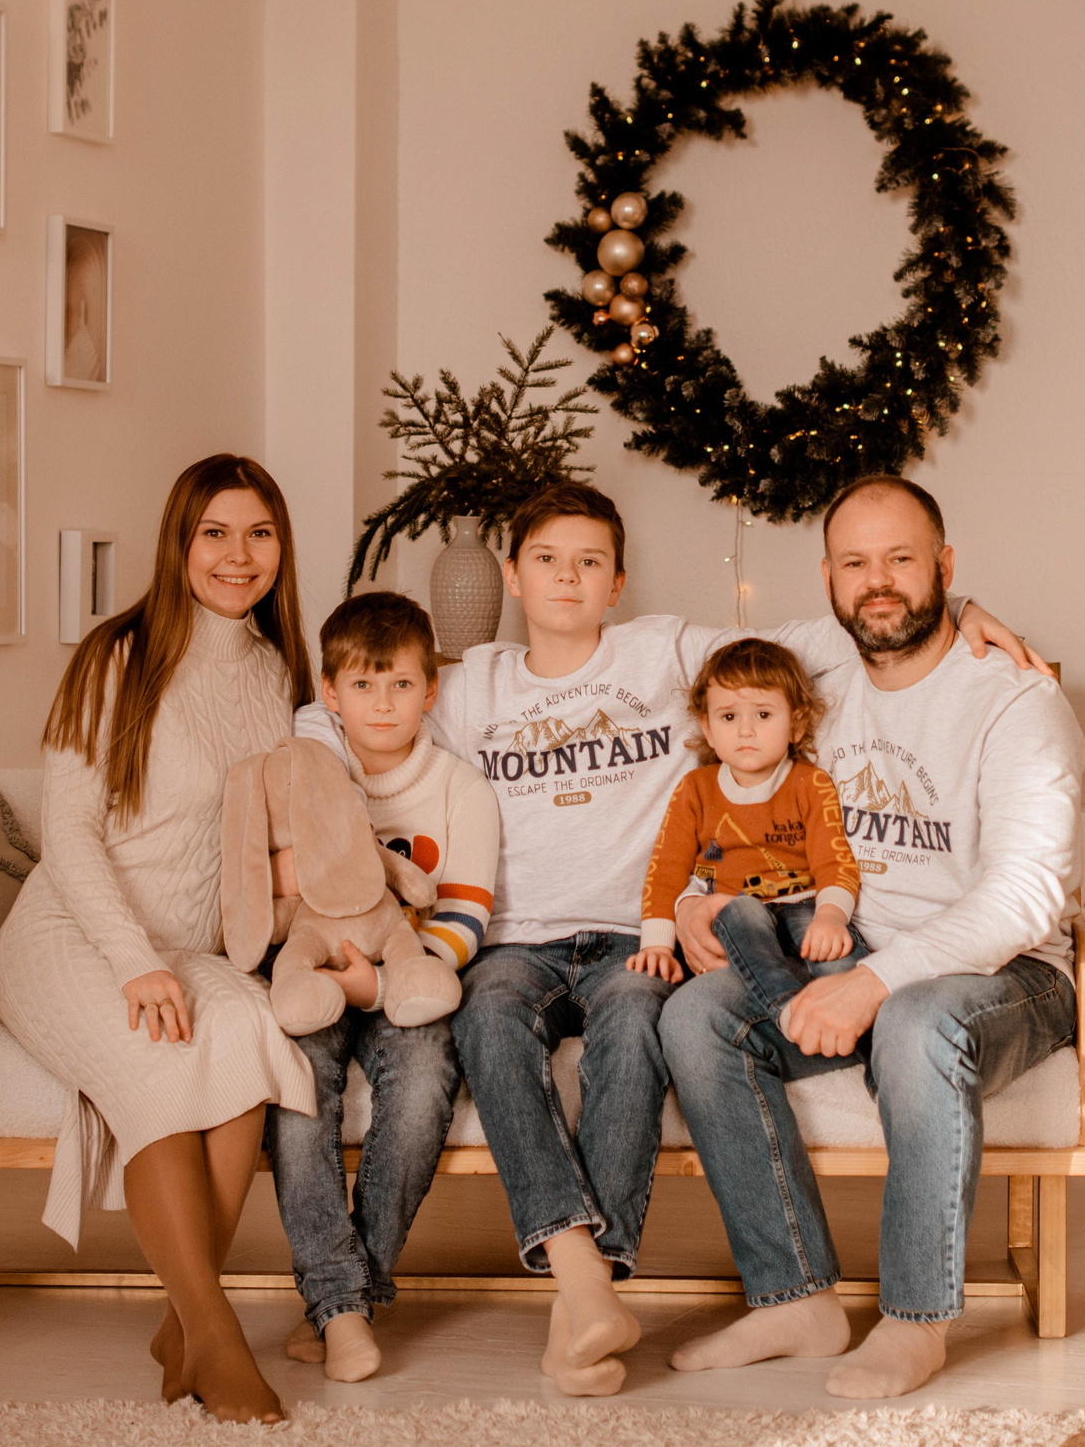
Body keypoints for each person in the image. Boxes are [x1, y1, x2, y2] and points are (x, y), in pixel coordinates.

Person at [290, 479, 1043, 1394]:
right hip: (514, 943)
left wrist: (955, 609)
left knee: (644, 1024)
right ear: (511, 577)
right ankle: (581, 1281)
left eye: (591, 563)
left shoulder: (664, 652)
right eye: (545, 561)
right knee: (488, 1019)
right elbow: (344, 712)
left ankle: (595, 1298)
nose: (567, 579)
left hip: (630, 942)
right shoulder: (472, 682)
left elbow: (827, 635)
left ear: (618, 582)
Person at [661, 476, 1085, 1400]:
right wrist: (696, 898)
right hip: (841, 945)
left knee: (913, 1022)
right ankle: (795, 1296)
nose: (879, 583)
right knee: (697, 1015)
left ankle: (916, 1320)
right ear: (827, 578)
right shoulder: (816, 662)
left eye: (903, 558)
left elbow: (1028, 892)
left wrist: (878, 981)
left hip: (1008, 974)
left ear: (946, 565)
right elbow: (703, 679)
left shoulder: (1016, 701)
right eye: (856, 563)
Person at [0, 454, 319, 1424]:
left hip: (194, 947)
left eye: (259, 532)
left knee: (249, 1038)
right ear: (178, 543)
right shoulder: (117, 655)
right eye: (214, 532)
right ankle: (214, 1336)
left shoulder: (280, 674)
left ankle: (184, 1317)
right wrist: (135, 963)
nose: (237, 554)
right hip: (73, 932)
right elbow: (72, 833)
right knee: (157, 1065)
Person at [266, 591, 498, 1383]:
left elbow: (467, 913)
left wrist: (390, 977)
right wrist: (339, 975)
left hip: (408, 983)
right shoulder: (310, 778)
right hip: (320, 973)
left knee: (428, 1079)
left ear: (430, 689)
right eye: (361, 686)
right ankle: (344, 1306)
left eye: (401, 684)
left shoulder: (459, 788)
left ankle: (338, 1305)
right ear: (329, 694)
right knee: (298, 1085)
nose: (383, 703)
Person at [626, 637, 865, 1016]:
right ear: (707, 727)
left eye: (764, 715)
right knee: (739, 911)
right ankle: (787, 1010)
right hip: (739, 918)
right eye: (729, 717)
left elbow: (835, 862)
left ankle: (864, 1038)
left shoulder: (810, 783)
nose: (746, 731)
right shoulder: (696, 789)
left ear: (796, 724)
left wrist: (831, 917)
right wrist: (656, 944)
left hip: (803, 904)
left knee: (837, 957)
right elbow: (666, 871)